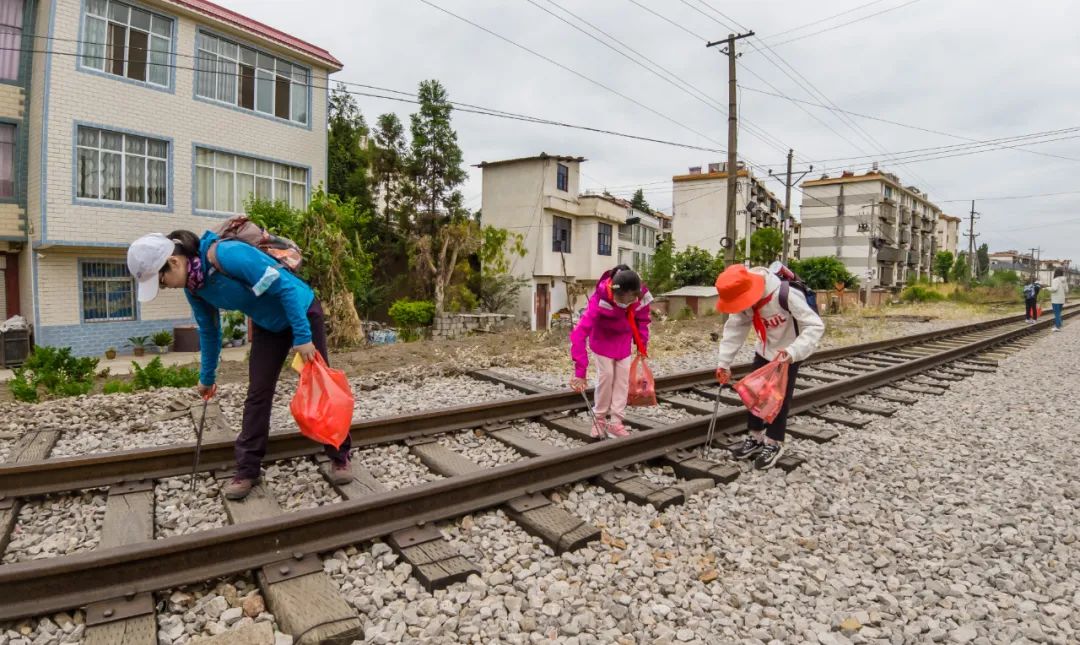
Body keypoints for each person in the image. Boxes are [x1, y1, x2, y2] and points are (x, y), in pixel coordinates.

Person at [127, 230, 353, 500]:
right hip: (269, 325)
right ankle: (247, 469)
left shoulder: (227, 255)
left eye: (162, 282)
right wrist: (207, 377)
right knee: (258, 393)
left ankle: (339, 454)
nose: (166, 288)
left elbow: (287, 288)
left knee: (320, 385)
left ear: (174, 262)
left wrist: (303, 337)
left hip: (301, 311)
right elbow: (210, 332)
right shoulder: (195, 289)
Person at [714, 264, 824, 470]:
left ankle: (774, 443)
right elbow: (735, 328)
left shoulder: (785, 294)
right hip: (765, 350)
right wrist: (724, 362)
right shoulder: (744, 296)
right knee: (754, 394)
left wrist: (793, 352)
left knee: (777, 399)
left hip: (788, 353)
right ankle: (755, 438)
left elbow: (815, 325)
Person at [570, 265, 652, 438]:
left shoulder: (642, 297)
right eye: (620, 298)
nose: (623, 302)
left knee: (622, 380)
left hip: (622, 342)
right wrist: (580, 371)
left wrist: (641, 346)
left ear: (635, 294)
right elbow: (579, 333)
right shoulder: (600, 297)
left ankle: (616, 422)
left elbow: (642, 321)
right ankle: (599, 418)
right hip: (602, 341)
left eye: (629, 298)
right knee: (606, 376)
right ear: (613, 291)